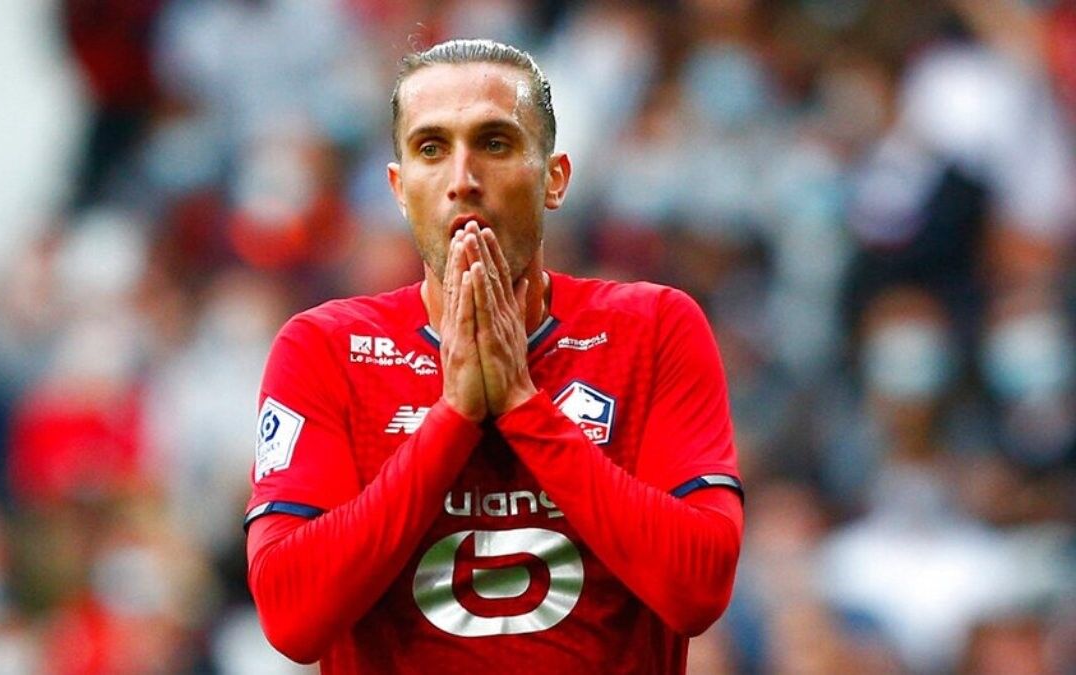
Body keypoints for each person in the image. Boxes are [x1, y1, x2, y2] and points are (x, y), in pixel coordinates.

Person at [245, 39, 744, 674]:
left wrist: (522, 407)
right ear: (399, 188)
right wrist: (453, 418)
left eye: (495, 143)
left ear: (554, 178)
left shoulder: (654, 329)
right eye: (431, 149)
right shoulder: (324, 349)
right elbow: (291, 617)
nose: (462, 180)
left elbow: (699, 590)